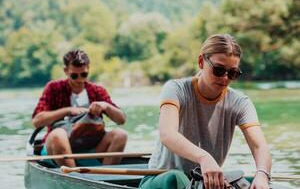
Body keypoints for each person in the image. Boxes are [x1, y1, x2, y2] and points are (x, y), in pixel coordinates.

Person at [140, 34, 271, 189]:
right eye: (219, 70)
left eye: (233, 73)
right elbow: (167, 135)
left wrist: (262, 175)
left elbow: (259, 147)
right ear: (201, 62)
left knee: (253, 182)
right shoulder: (175, 89)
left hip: (204, 183)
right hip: (162, 180)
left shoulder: (240, 103)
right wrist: (204, 157)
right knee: (175, 178)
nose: (225, 78)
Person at [32, 49, 127, 167]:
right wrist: (68, 110)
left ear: (88, 69)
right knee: (58, 135)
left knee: (121, 135)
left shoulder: (97, 90)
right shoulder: (53, 88)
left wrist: (106, 106)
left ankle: (104, 178)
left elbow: (121, 120)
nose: (79, 80)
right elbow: (37, 121)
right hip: (58, 146)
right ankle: (75, 176)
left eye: (84, 75)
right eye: (74, 75)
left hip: (92, 146)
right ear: (66, 71)